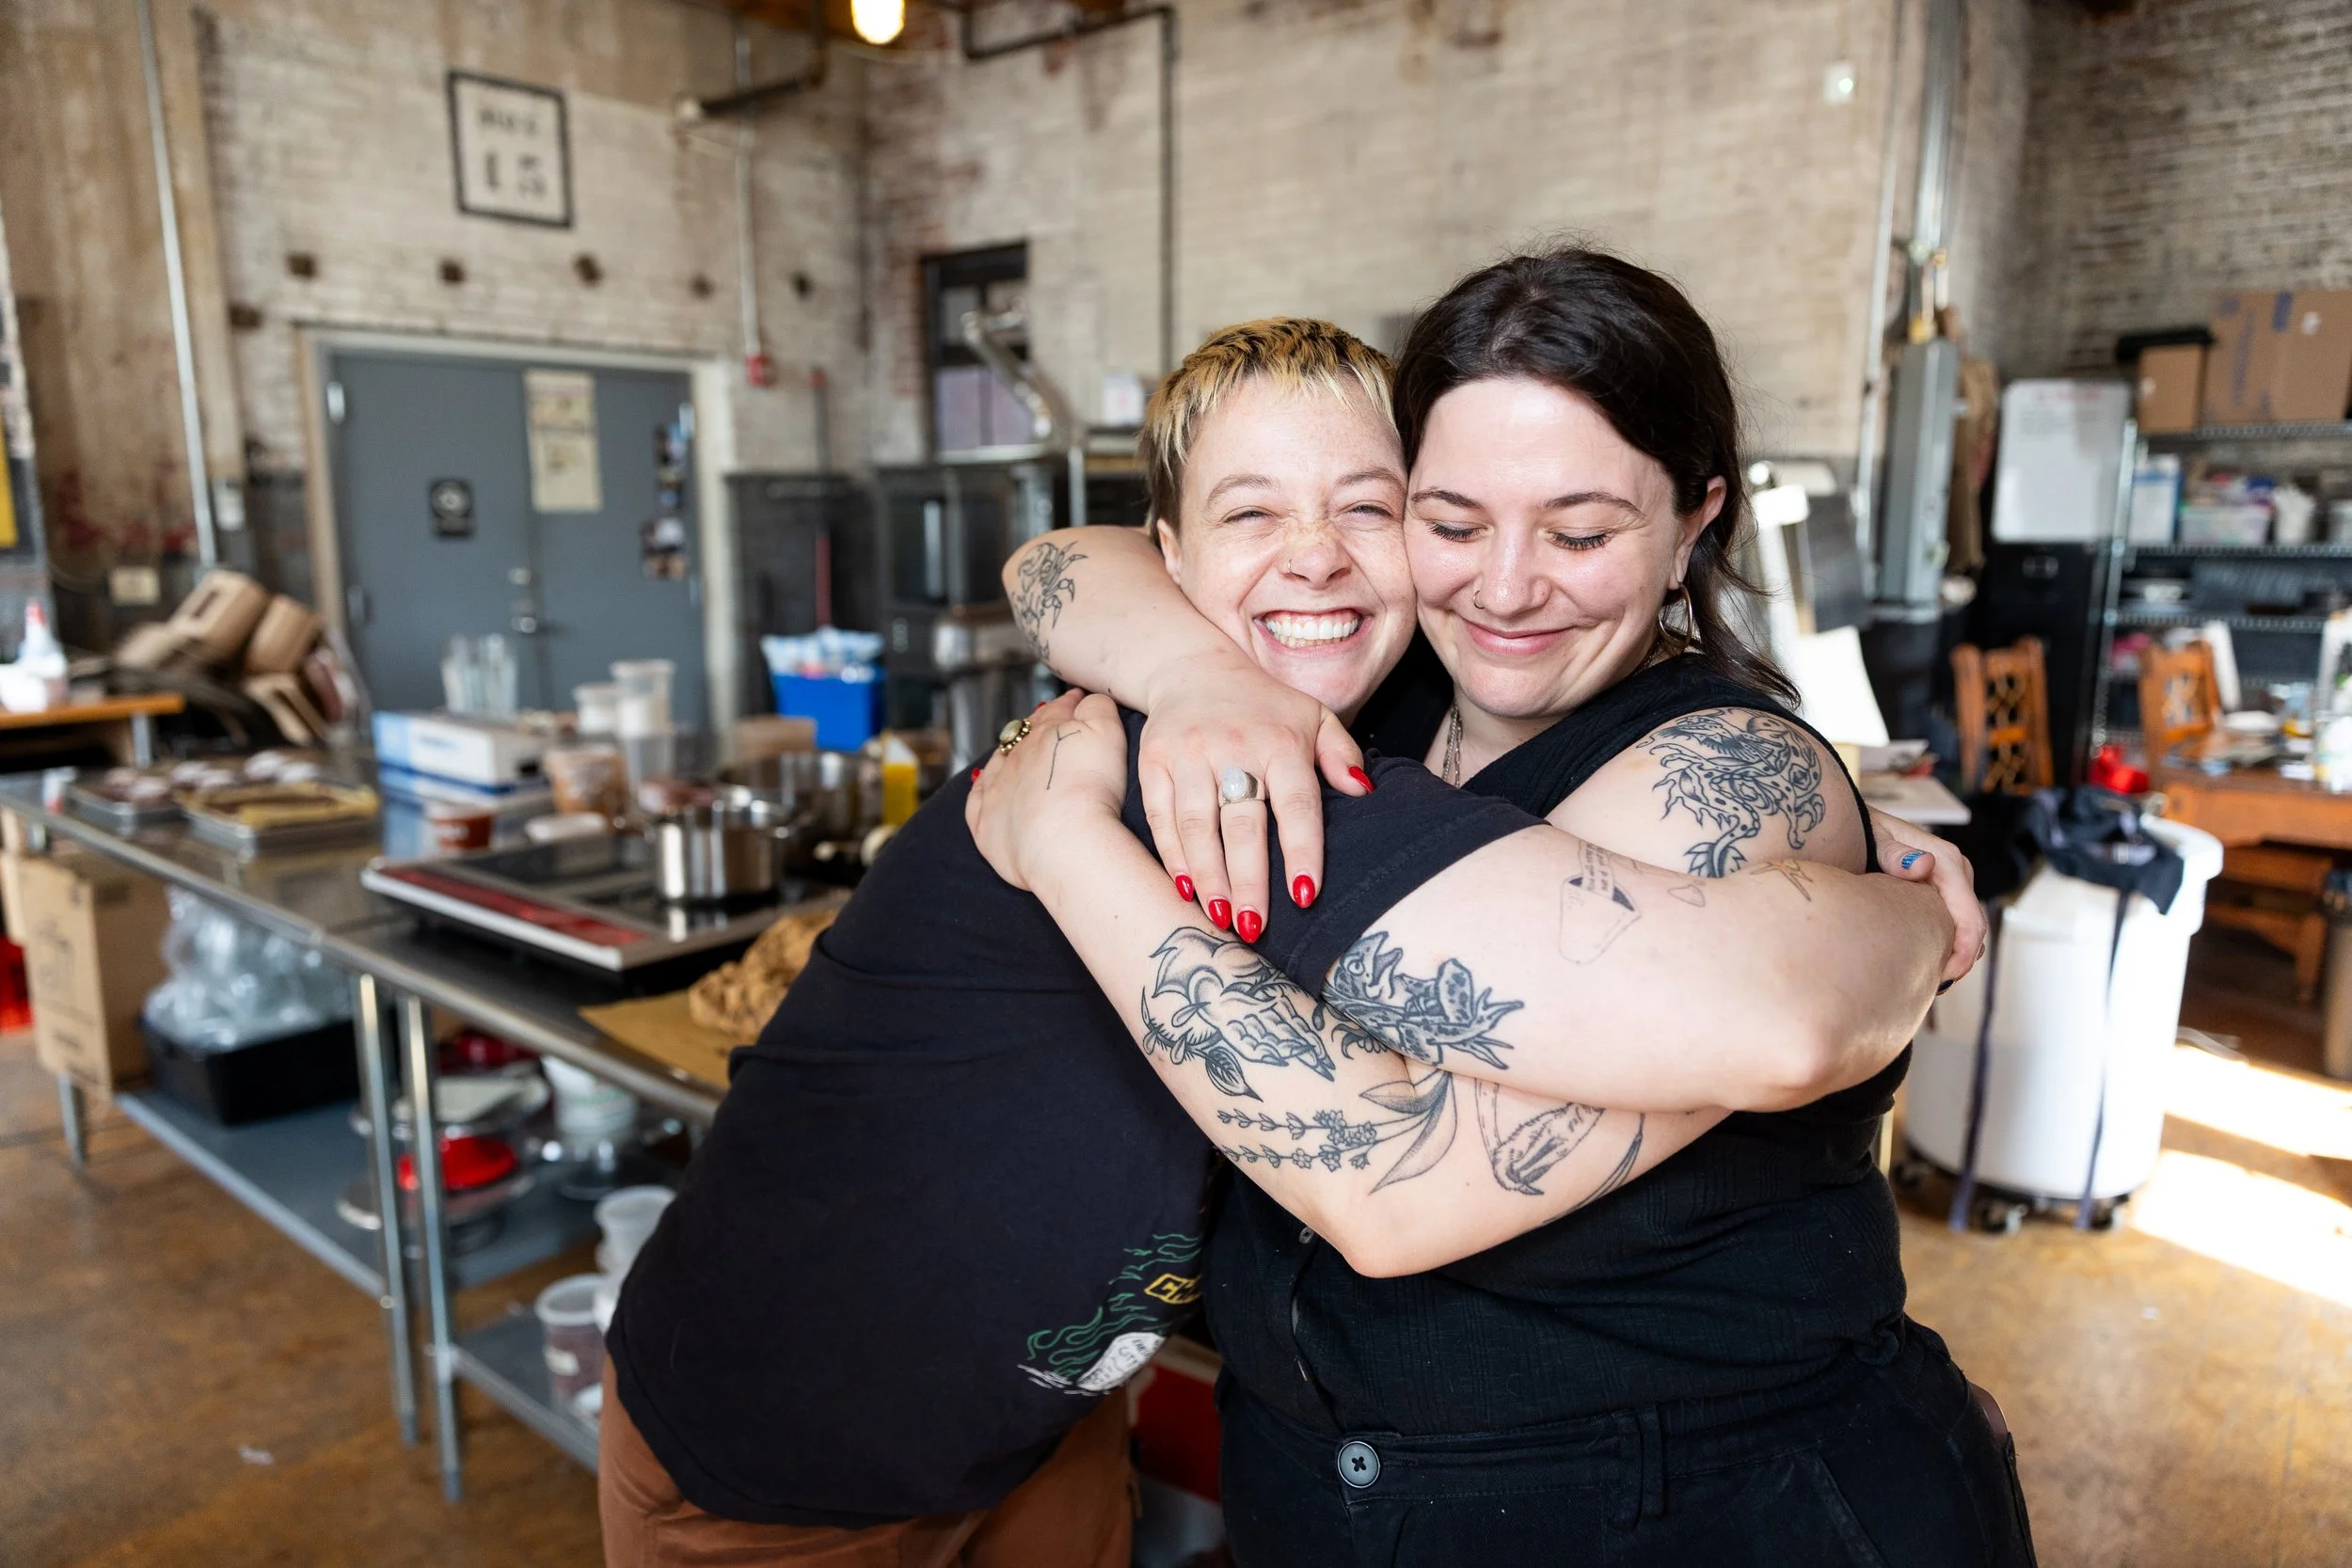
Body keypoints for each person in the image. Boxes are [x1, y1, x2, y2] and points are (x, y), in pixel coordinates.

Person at [600, 317, 1963, 1567]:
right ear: (1172, 554)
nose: (1314, 555)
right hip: (769, 1449)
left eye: (1370, 508)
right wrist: (1908, 911)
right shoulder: (1192, 766)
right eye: (1251, 512)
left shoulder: (1382, 728)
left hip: (1034, 1433)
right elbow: (1053, 562)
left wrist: (1854, 832)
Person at [984, 251, 2032, 1564]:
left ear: (1694, 518)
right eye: (1451, 522)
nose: (1505, 588)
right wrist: (1200, 679)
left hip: (1699, 1512)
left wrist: (1065, 837)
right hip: (1332, 1498)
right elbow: (1055, 564)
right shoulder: (1373, 692)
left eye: (1580, 533)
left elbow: (1392, 1188)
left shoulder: (1730, 780)